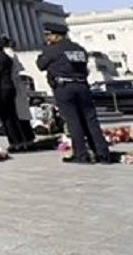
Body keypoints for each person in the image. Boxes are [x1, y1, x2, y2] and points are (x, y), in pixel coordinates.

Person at [36, 23, 114, 164]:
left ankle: (81, 154)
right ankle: (102, 153)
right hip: (82, 86)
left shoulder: (53, 49)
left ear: (56, 35)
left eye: (48, 35)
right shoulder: (79, 49)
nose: (47, 37)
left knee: (73, 121)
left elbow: (41, 65)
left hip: (65, 87)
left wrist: (44, 51)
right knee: (91, 120)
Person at [0, 36, 31, 152]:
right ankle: (22, 141)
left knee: (6, 117)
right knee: (13, 115)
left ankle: (14, 142)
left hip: (0, 89)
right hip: (10, 87)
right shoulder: (6, 57)